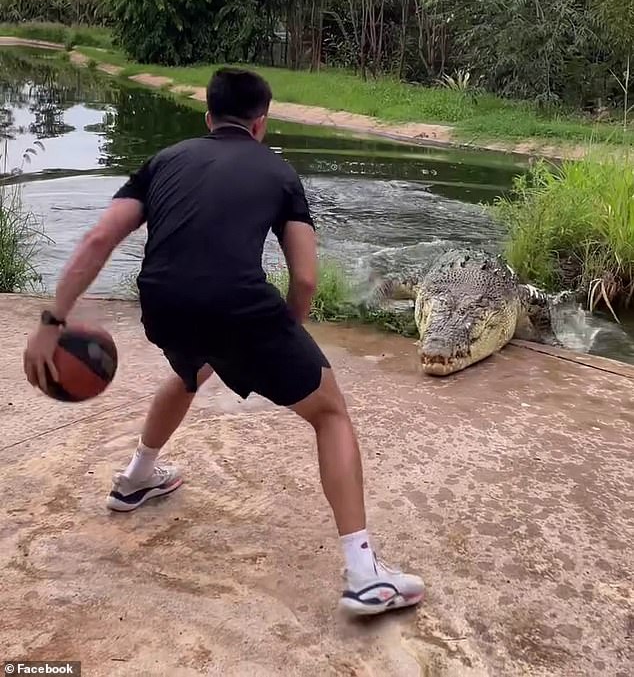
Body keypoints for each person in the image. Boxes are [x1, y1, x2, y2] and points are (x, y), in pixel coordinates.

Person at [23, 67, 423, 616]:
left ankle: (137, 478)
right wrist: (284, 336)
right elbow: (304, 277)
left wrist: (51, 323)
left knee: (191, 369)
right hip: (236, 306)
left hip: (163, 306)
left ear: (208, 117)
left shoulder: (163, 161)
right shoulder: (279, 172)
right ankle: (363, 575)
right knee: (331, 414)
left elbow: (99, 237)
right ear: (261, 123)